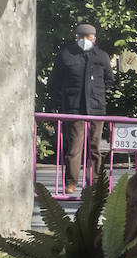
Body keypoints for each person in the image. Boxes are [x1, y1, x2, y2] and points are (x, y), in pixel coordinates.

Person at [47, 23, 113, 194]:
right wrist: (61, 101)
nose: (84, 40)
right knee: (74, 148)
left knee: (95, 148)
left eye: (88, 37)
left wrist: (98, 94)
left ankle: (95, 183)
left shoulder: (102, 56)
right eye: (81, 37)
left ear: (94, 38)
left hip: (96, 109)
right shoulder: (66, 55)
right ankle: (71, 183)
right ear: (75, 38)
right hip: (74, 109)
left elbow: (109, 80)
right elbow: (55, 81)